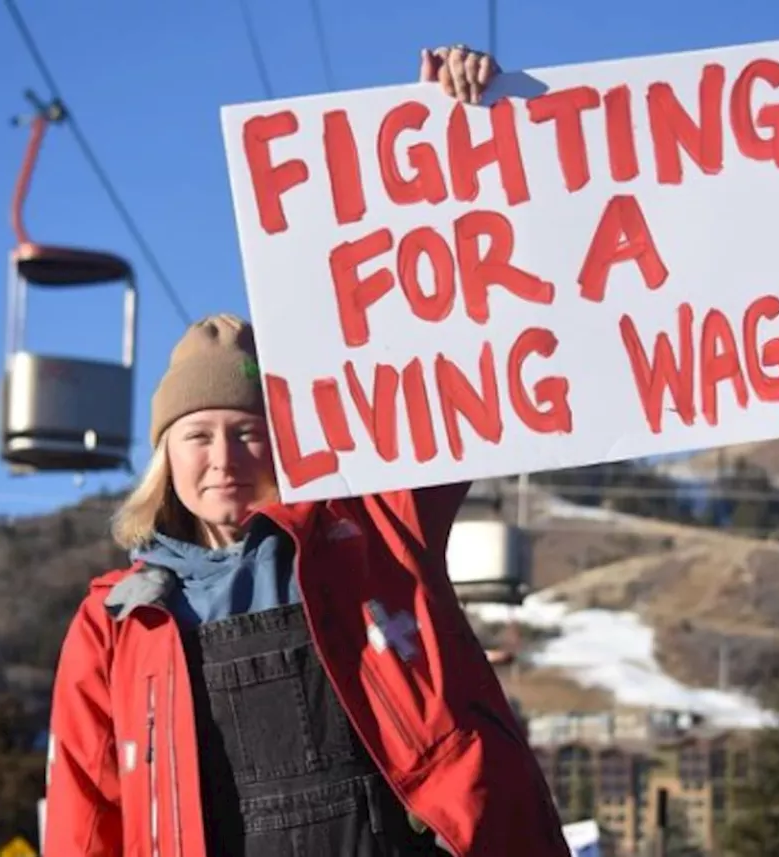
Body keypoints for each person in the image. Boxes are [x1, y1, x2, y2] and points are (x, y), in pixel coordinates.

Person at [45, 44, 571, 857]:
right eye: (197, 434)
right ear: (165, 457)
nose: (223, 454)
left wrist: (449, 129)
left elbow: (452, 353)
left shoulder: (375, 536)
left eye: (249, 429)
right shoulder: (117, 621)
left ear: (287, 442)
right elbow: (85, 810)